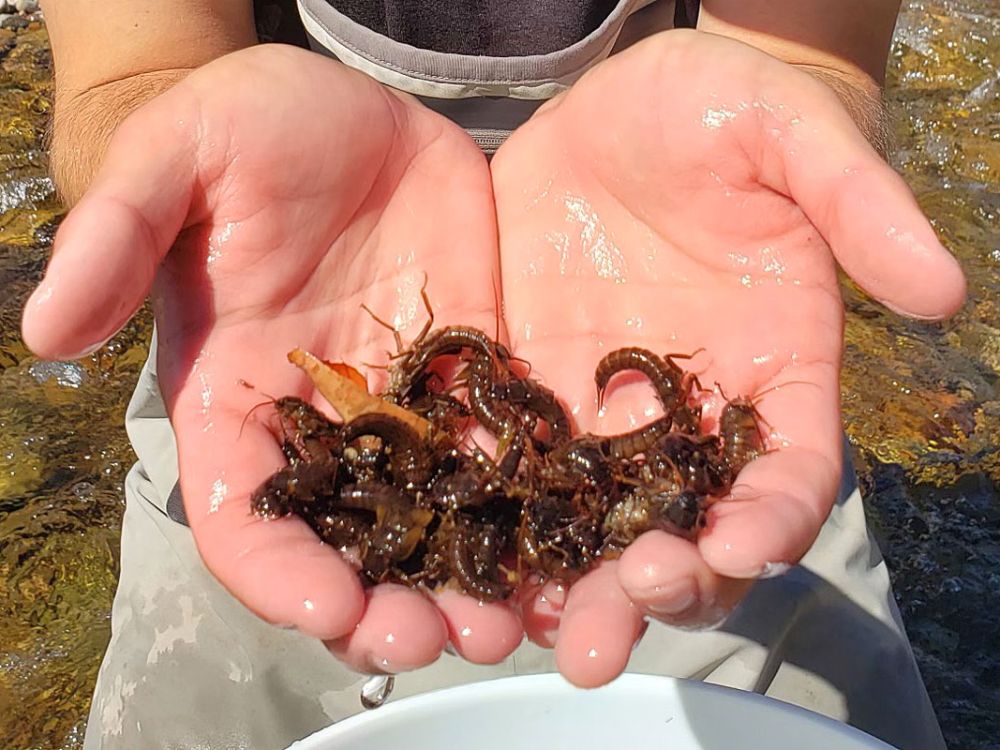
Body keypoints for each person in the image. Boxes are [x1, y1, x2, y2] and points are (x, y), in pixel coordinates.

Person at [25, 1, 966, 748]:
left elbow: (817, 57)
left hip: (686, 264)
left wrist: (784, 105)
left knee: (751, 593)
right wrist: (159, 134)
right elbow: (133, 61)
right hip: (276, 288)